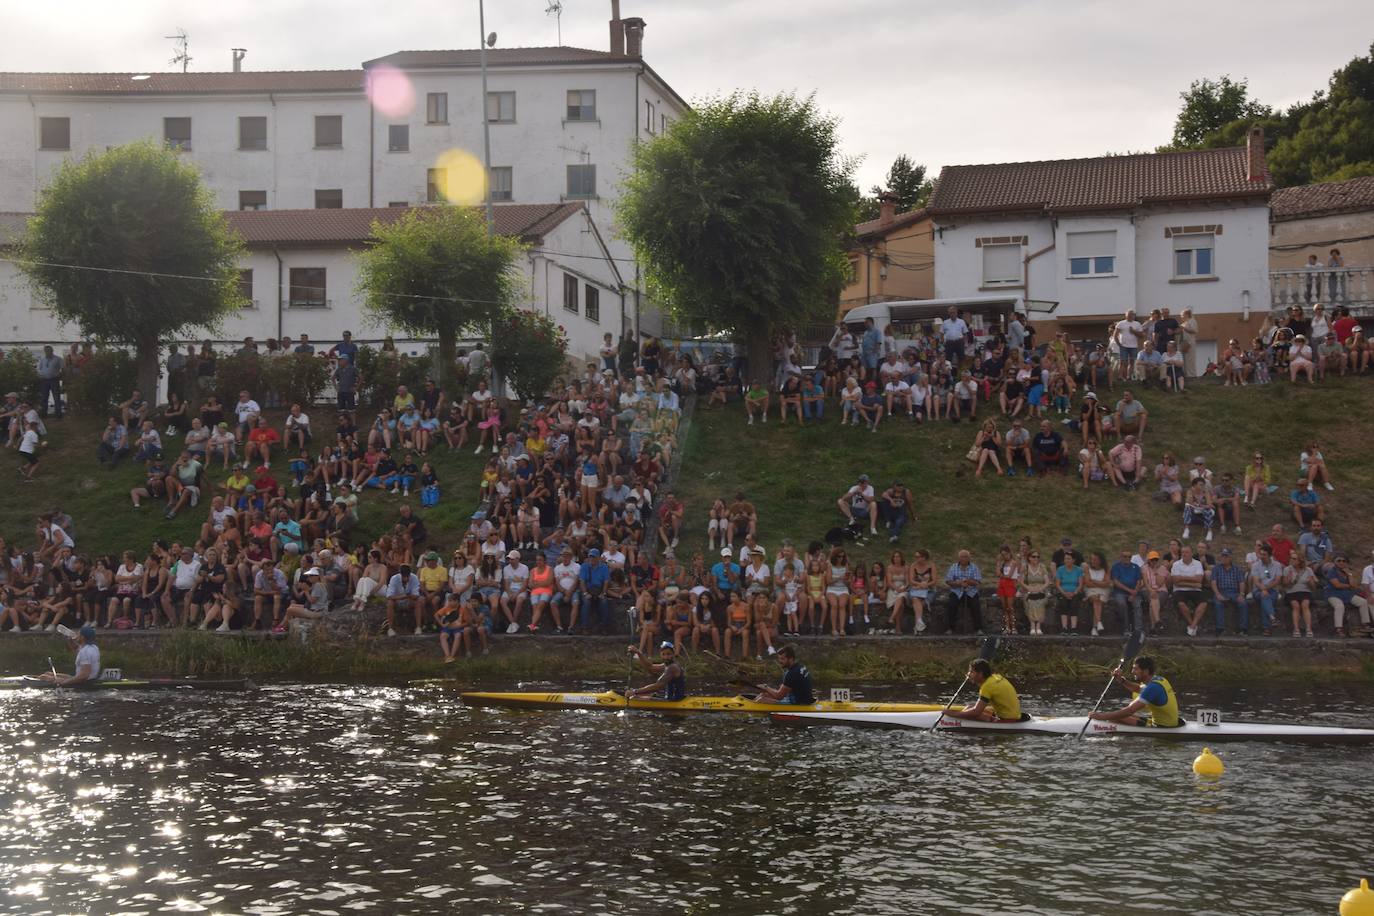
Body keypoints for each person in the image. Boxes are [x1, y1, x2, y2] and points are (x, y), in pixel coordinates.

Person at [1089, 655, 1180, 728]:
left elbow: (1130, 711)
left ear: (1146, 671)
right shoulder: (1159, 680)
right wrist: (1121, 680)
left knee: (1115, 718)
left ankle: (1123, 743)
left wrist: (1101, 717)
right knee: (1118, 714)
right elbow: (1138, 689)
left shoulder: (1153, 688)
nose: (1132, 672)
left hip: (1162, 727)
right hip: (1166, 722)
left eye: (1136, 669)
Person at [944, 659, 1022, 722]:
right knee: (969, 707)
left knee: (971, 712)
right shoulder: (996, 677)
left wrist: (953, 714)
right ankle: (991, 718)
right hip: (1015, 715)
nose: (968, 674)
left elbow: (976, 712)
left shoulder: (987, 686)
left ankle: (992, 720)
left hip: (1008, 720)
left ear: (980, 674)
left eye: (971, 672)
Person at [1171, 545, 1208, 637]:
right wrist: (1193, 582)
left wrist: (1182, 578)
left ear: (1191, 553)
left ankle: (1192, 626)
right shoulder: (1176, 564)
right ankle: (1192, 625)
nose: (1184, 554)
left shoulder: (1198, 563)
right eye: (1183, 552)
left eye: (1186, 552)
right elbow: (1175, 581)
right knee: (1181, 604)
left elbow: (1199, 579)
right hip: (1180, 590)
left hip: (1195, 590)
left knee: (1203, 603)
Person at [1209, 548, 1248, 635]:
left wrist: (1241, 594)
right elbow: (1213, 582)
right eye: (1223, 556)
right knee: (1218, 604)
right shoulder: (1216, 568)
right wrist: (1218, 594)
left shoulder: (1237, 569)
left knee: (1243, 603)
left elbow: (1241, 582)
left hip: (1234, 592)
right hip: (1221, 591)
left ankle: (1243, 628)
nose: (1224, 558)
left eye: (1226, 556)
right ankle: (1220, 628)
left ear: (1230, 558)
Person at [944, 549, 983, 635]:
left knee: (975, 606)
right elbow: (948, 581)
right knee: (952, 605)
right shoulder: (953, 567)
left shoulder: (974, 567)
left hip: (970, 591)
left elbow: (978, 581)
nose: (964, 558)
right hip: (956, 591)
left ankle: (978, 629)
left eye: (966, 557)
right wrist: (959, 583)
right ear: (959, 558)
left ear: (969, 558)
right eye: (962, 557)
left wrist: (968, 582)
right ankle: (951, 628)